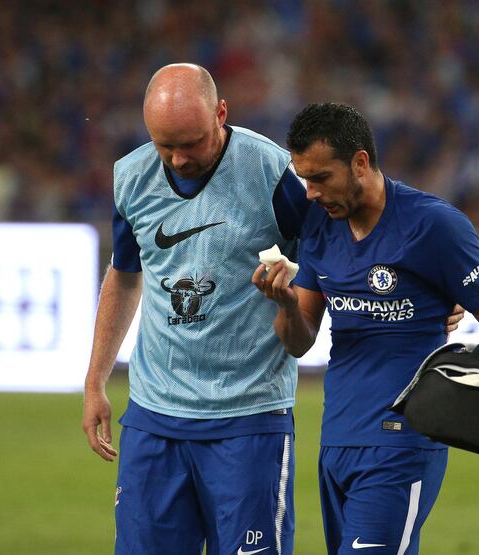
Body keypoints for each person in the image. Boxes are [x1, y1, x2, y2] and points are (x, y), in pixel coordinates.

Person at [253, 102, 479, 555]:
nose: (312, 193)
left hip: (403, 442)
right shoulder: (320, 225)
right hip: (337, 439)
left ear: (360, 162)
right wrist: (283, 303)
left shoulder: (434, 225)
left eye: (321, 178)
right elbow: (299, 341)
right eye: (305, 179)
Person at [81, 63, 312, 555]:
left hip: (248, 417)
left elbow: (330, 250)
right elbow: (124, 276)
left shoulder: (271, 172)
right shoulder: (131, 178)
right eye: (165, 145)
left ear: (221, 113)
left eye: (191, 142)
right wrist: (95, 380)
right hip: (153, 416)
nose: (179, 159)